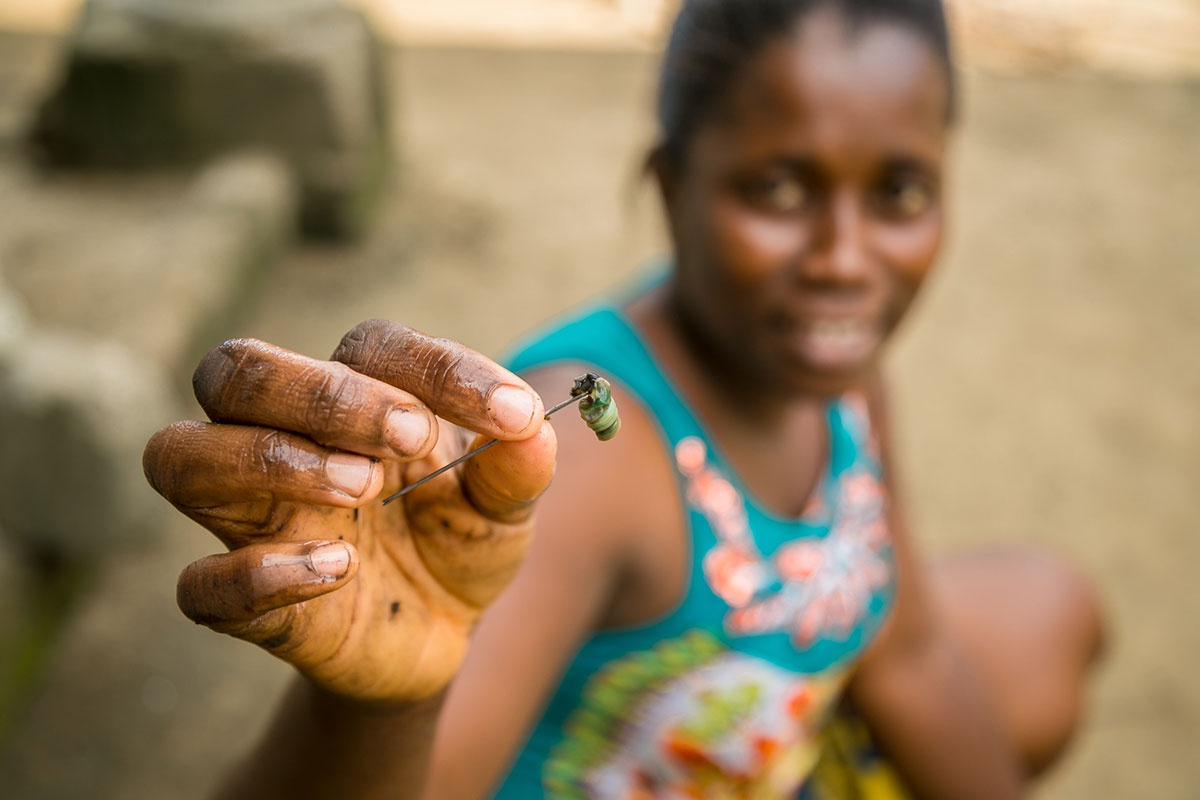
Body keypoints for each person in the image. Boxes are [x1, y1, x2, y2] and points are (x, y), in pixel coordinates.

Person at [143, 1, 1104, 797]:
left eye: (898, 192)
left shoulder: (837, 371)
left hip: (765, 754)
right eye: (777, 188)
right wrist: (379, 702)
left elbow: (909, 647)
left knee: (1052, 618)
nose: (846, 261)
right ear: (669, 187)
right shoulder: (591, 452)